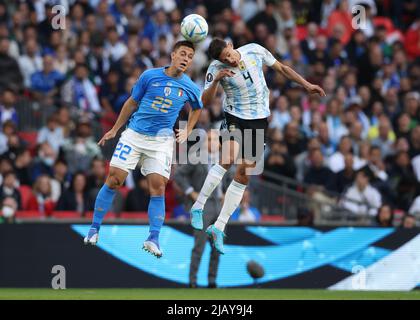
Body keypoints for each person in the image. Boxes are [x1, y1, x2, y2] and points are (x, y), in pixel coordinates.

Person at [190, 37, 325, 254]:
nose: (230, 61)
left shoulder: (254, 50)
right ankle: (198, 207)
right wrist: (216, 80)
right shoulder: (215, 68)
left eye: (229, 55)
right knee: (228, 157)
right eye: (225, 59)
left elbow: (282, 68)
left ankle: (219, 227)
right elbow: (204, 102)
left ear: (231, 46)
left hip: (259, 119)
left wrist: (306, 85)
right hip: (235, 115)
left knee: (243, 174)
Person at [84, 41, 203, 258]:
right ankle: (94, 229)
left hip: (161, 140)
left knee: (158, 187)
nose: (186, 59)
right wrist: (114, 129)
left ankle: (153, 239)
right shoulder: (150, 76)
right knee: (114, 180)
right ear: (173, 54)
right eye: (183, 54)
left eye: (190, 56)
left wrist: (187, 130)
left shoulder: (190, 87)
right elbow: (131, 103)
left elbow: (197, 109)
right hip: (134, 135)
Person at [173, 130, 222, 288]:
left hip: (218, 206)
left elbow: (231, 178)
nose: (211, 142)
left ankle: (212, 280)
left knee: (217, 246)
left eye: (214, 139)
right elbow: (178, 175)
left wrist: (227, 193)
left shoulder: (224, 160)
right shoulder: (196, 158)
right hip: (203, 205)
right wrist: (190, 192)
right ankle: (193, 280)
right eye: (209, 139)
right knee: (199, 244)